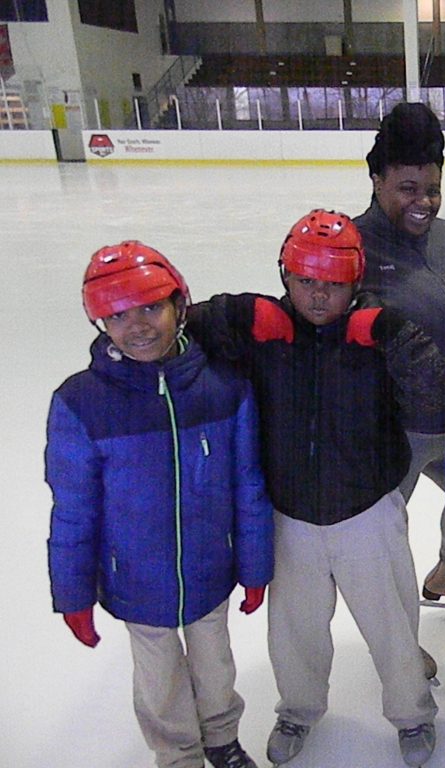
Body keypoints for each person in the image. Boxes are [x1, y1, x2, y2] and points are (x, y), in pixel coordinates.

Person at [187, 210, 445, 767]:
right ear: (285, 275)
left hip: (368, 513)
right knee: (294, 631)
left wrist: (395, 336)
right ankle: (299, 709)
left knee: (393, 625)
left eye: (333, 283)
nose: (317, 295)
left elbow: (433, 398)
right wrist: (233, 312)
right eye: (305, 280)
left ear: (355, 282)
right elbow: (174, 331)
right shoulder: (265, 335)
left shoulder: (376, 334)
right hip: (290, 516)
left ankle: (412, 712)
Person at [46, 241, 273, 768]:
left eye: (151, 307)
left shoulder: (225, 390)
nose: (139, 326)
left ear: (180, 305)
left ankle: (221, 738)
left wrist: (256, 565)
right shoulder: (80, 404)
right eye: (119, 315)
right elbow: (73, 512)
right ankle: (178, 754)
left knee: (215, 664)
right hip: (135, 577)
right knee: (159, 675)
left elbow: (248, 484)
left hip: (210, 568)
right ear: (100, 321)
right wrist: (73, 592)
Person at [355, 101, 445, 605]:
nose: (425, 202)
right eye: (408, 189)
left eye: (432, 189)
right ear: (376, 179)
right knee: (382, 538)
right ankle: (395, 636)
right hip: (396, 432)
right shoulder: (353, 250)